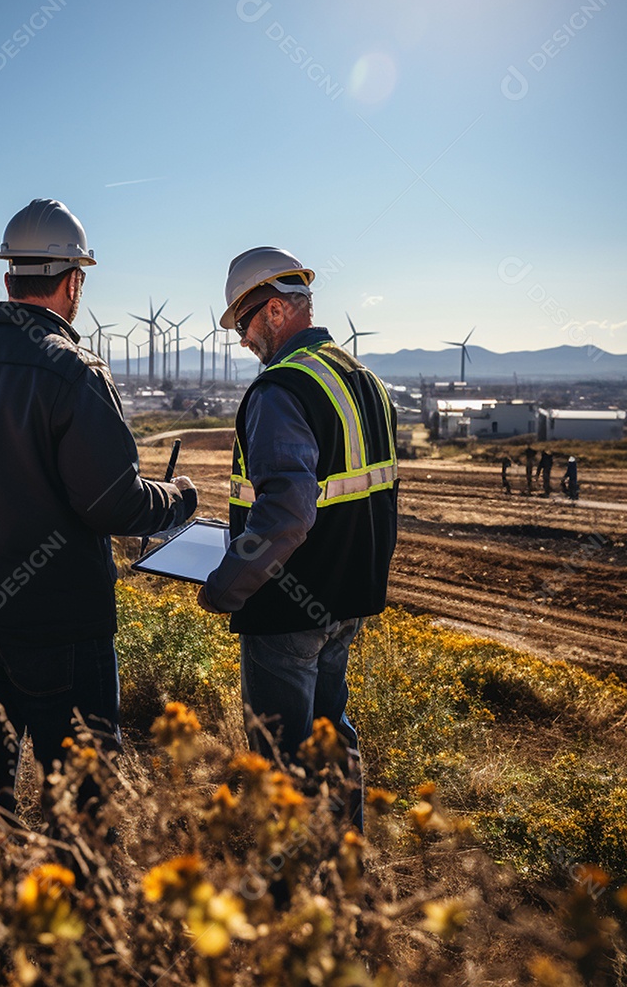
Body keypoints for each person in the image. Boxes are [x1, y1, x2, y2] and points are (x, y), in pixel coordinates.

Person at [0, 198, 198, 984]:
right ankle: (84, 951)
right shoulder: (73, 372)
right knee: (85, 796)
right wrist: (183, 498)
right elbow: (115, 504)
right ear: (71, 282)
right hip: (61, 627)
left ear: (8, 272)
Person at [196, 247, 398, 832]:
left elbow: (285, 513)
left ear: (278, 309)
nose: (240, 341)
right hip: (346, 598)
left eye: (243, 323)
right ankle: (343, 872)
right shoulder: (363, 378)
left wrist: (228, 586)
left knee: (281, 760)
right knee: (330, 738)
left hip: (287, 605)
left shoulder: (280, 389)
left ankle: (289, 900)